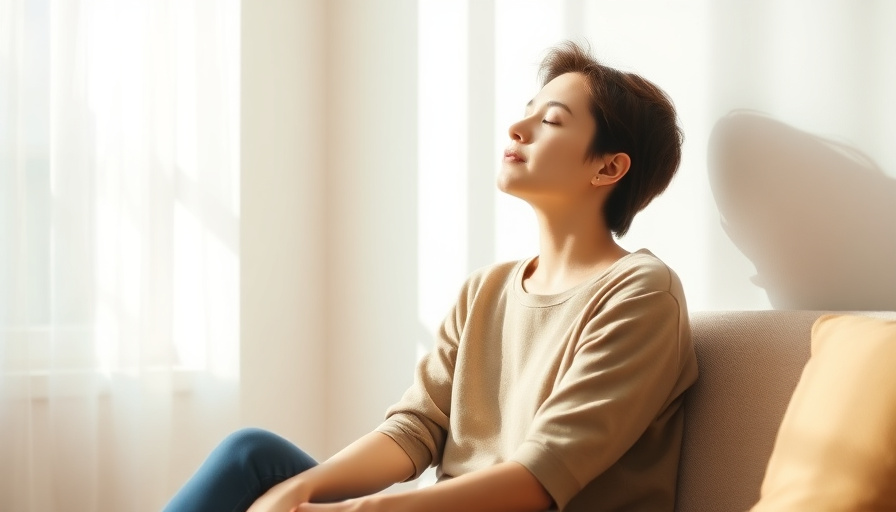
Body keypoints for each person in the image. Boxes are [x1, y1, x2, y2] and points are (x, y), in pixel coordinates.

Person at [163, 40, 698, 512]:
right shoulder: (485, 292)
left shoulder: (642, 294)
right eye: (527, 111)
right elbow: (413, 430)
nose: (517, 127)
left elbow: (540, 477)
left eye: (551, 121)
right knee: (253, 457)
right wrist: (292, 493)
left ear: (607, 168)